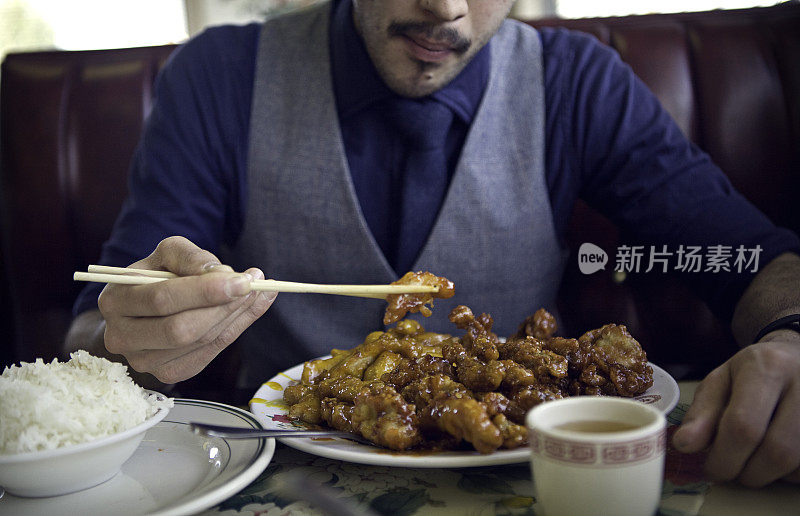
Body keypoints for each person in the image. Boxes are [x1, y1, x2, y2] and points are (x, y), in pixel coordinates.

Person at [65, 0, 800, 487]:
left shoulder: (577, 82)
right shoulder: (219, 78)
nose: (447, 6)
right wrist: (126, 334)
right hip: (283, 481)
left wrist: (792, 336)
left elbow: (747, 258)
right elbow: (96, 322)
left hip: (523, 477)